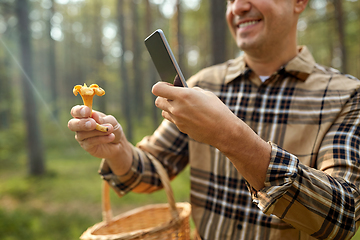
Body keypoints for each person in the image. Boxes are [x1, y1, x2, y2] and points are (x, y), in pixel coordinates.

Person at [68, 0, 360, 239]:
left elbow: (343, 217)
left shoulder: (346, 95)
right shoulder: (203, 84)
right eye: (230, 0)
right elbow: (153, 170)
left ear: (299, 2)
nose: (238, 7)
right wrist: (117, 150)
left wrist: (231, 137)